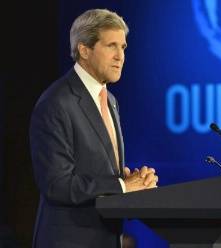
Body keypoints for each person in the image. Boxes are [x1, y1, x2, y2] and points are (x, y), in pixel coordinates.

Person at [29, 9, 158, 248]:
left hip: (107, 238)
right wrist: (120, 186)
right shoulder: (56, 103)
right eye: (111, 46)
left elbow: (96, 172)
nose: (121, 56)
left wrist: (131, 182)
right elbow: (56, 184)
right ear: (84, 50)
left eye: (123, 47)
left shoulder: (110, 100)